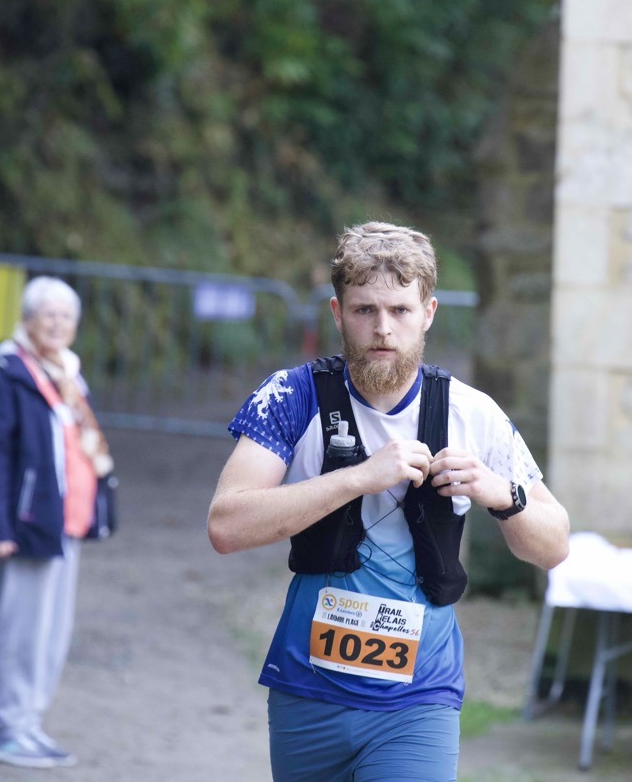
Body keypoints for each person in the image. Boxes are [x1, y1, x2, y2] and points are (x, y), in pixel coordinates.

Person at [207, 221, 570, 781]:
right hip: (308, 690)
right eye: (364, 310)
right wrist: (356, 478)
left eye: (400, 310)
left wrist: (501, 494)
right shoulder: (289, 396)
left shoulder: (472, 414)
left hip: (419, 699)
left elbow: (554, 545)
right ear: (337, 313)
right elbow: (226, 526)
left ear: (428, 313)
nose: (382, 328)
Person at [0, 276, 114, 770]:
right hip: (24, 524)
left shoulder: (66, 371)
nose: (57, 324)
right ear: (27, 319)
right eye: (48, 314)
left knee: (51, 633)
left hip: (62, 523)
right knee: (22, 631)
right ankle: (7, 728)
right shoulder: (6, 372)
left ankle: (28, 723)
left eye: (66, 316)